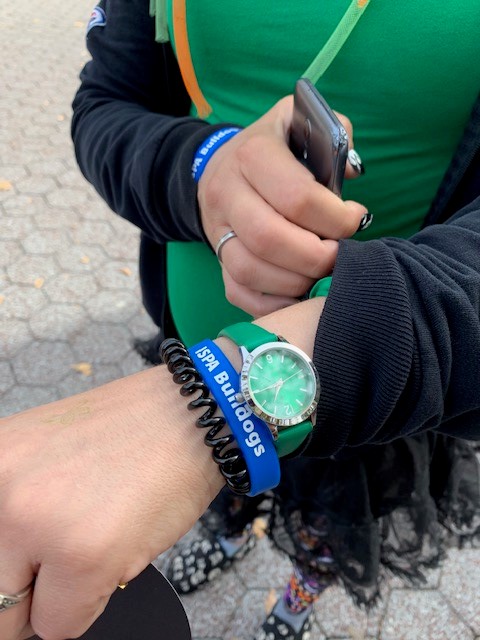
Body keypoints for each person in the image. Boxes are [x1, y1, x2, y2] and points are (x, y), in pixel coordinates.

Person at [0, 0, 479, 639]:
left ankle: (300, 594)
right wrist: (204, 168)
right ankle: (231, 538)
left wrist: (215, 404)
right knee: (215, 490)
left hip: (390, 370)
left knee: (329, 521)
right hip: (193, 325)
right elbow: (105, 106)